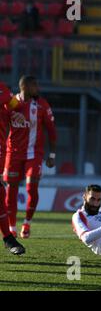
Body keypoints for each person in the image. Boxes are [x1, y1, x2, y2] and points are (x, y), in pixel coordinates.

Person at [3, 75, 57, 239]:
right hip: (12, 154)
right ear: (24, 87)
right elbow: (3, 116)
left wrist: (52, 154)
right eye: (34, 86)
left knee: (31, 187)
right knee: (10, 191)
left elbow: (51, 130)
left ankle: (26, 223)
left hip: (34, 154)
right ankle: (12, 227)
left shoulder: (41, 104)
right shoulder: (11, 103)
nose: (37, 88)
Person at [0, 82, 25, 254]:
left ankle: (8, 238)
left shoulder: (3, 89)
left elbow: (16, 106)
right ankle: (8, 238)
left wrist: (16, 114)